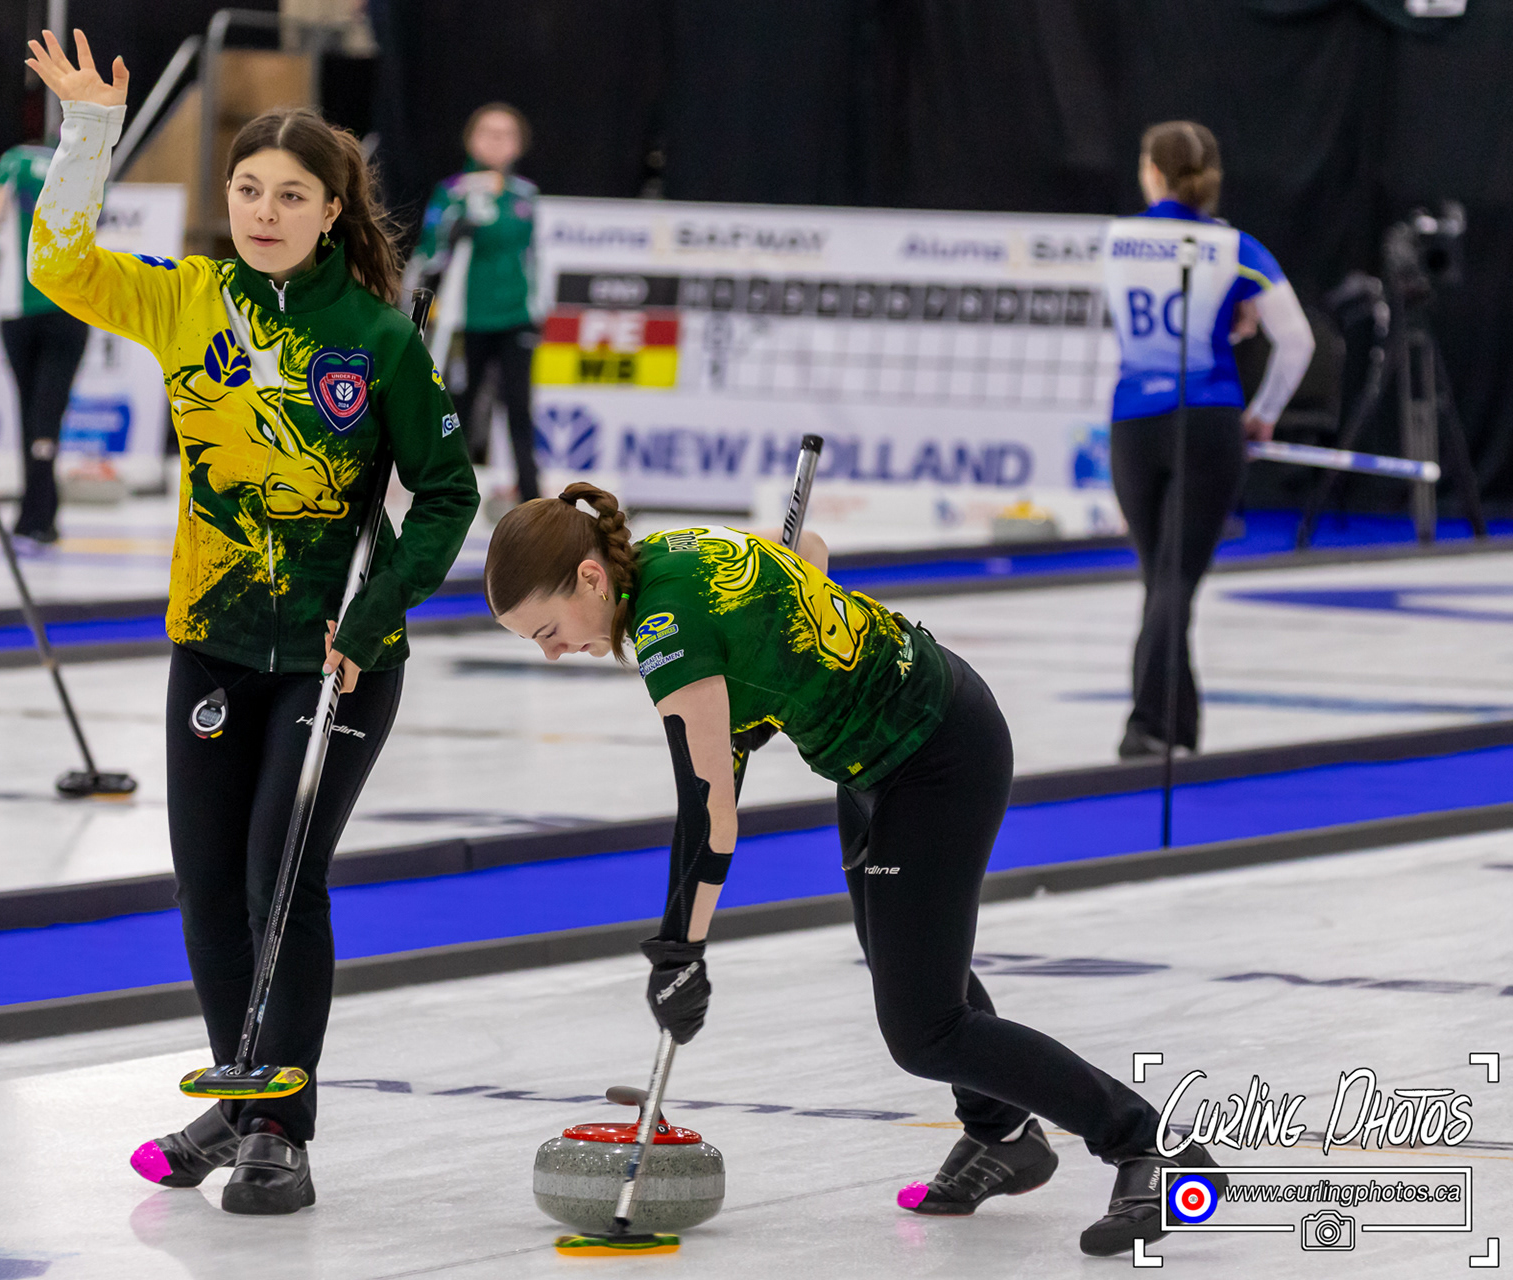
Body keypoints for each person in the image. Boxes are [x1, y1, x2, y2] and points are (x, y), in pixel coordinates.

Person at [484, 485, 1226, 1258]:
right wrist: (767, 673)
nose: (552, 653)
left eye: (548, 631)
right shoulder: (669, 555)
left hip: (936, 755)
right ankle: (1002, 1134)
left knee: (925, 1029)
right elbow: (808, 557)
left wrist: (681, 952)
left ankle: (1151, 1146)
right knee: (907, 969)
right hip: (876, 758)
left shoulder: (667, 630)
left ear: (591, 578)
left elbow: (709, 815)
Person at [22, 31, 476, 1215]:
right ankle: (241, 1092)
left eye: (291, 196)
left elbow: (448, 493)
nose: (265, 211)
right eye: (248, 189)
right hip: (212, 646)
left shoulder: (378, 339)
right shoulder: (187, 301)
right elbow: (58, 264)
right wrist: (89, 135)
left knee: (281, 878)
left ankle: (280, 1128)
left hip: (339, 661)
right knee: (206, 887)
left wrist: (371, 616)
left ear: (331, 212)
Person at [1102, 121, 1313, 759]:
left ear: (1152, 174)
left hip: (1134, 424)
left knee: (1161, 579)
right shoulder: (1235, 248)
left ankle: (1174, 727)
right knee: (1174, 581)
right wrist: (1264, 413)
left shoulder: (1116, 240)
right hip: (1207, 419)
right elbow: (1297, 341)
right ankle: (1151, 726)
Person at [410, 103, 540, 502]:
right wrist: (452, 231)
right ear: (470, 139)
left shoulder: (525, 195)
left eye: (506, 134)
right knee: (459, 410)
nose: (496, 142)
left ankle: (532, 501)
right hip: (465, 319)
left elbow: (533, 252)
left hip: (516, 316)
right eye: (487, 132)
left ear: (519, 144)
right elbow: (429, 252)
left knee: (518, 409)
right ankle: (451, 498)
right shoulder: (452, 192)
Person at [0, 133, 91, 546]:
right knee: (47, 413)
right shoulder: (85, 165)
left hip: (19, 309)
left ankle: (35, 514)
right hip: (69, 307)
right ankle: (39, 512)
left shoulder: (15, 160)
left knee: (30, 410)